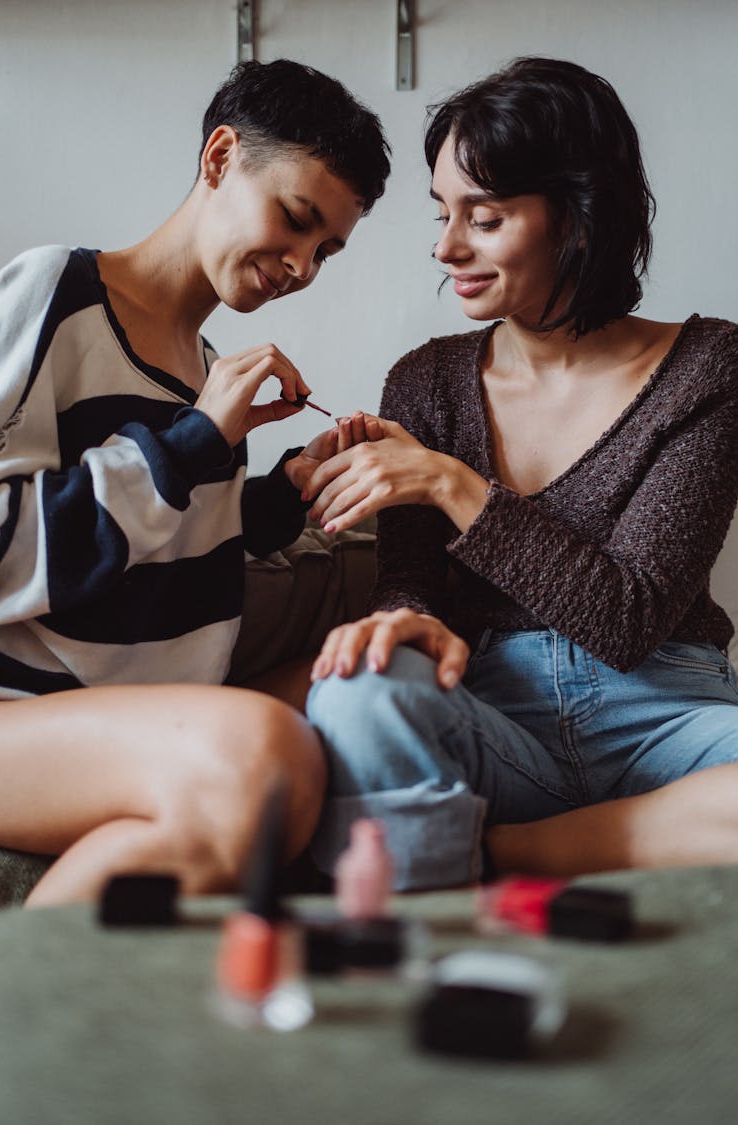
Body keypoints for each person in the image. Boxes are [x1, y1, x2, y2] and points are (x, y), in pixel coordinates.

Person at [301, 56, 738, 890]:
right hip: (491, 716)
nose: (446, 245)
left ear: (577, 217)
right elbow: (410, 584)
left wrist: (447, 482)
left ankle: (514, 853)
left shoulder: (710, 365)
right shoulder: (424, 380)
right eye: (442, 213)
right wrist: (400, 622)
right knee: (355, 692)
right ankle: (425, 975)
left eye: (485, 216)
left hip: (668, 719)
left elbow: (628, 616)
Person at [0, 58, 390, 905]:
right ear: (219, 159)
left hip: (140, 709)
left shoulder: (206, 373)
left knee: (376, 689)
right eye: (296, 219)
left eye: (327, 251)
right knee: (266, 756)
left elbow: (157, 541)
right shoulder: (56, 292)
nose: (304, 267)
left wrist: (284, 491)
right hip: (15, 714)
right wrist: (194, 442)